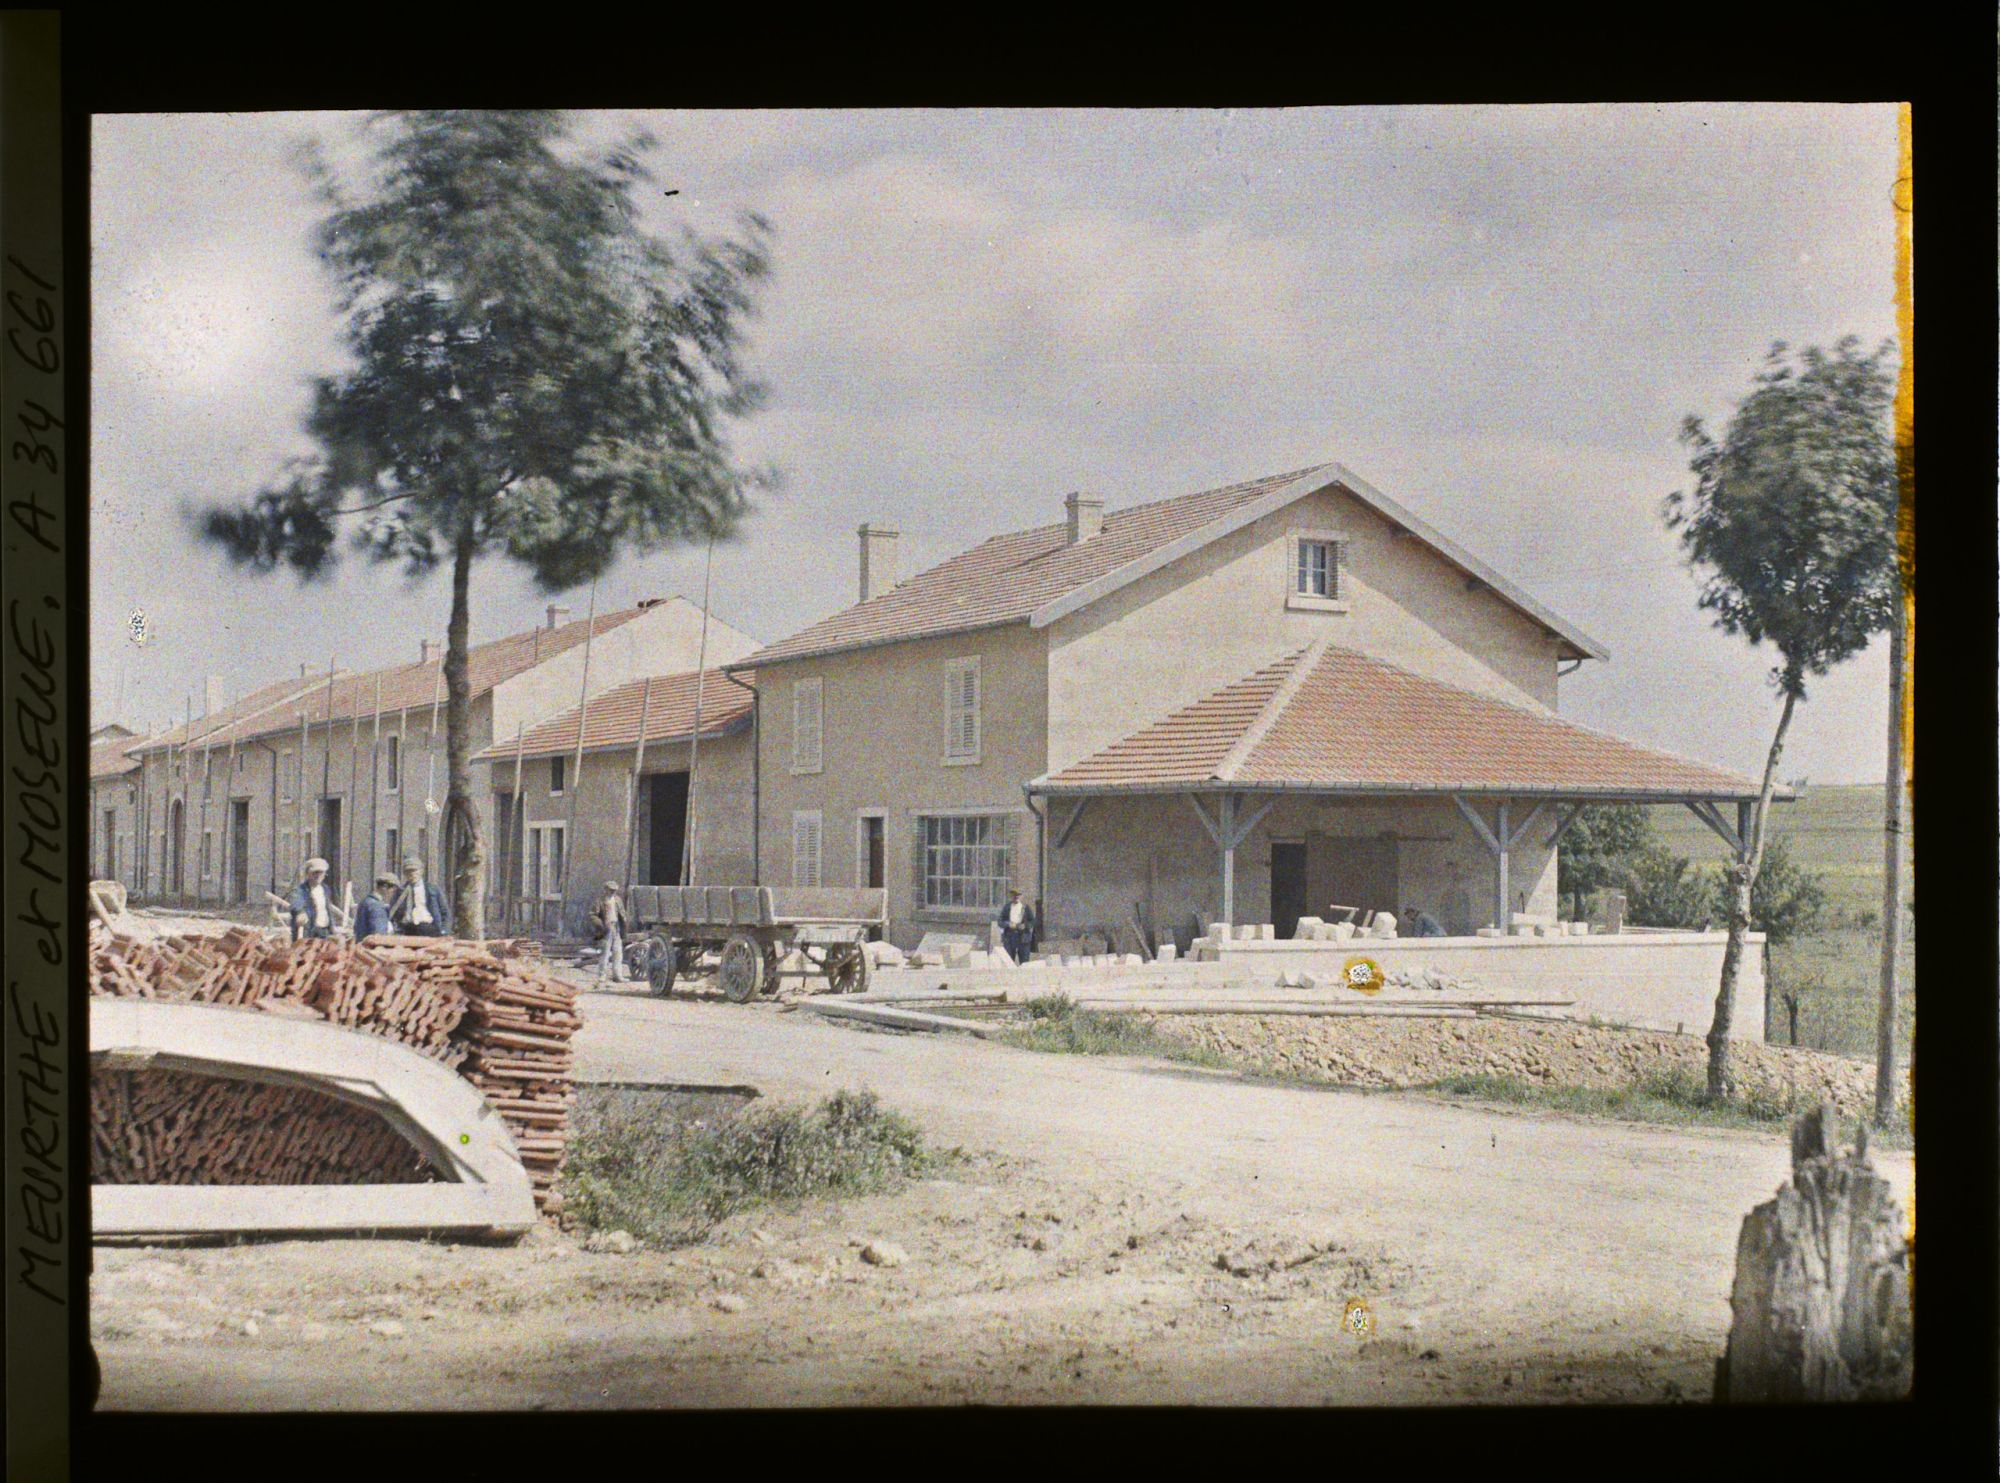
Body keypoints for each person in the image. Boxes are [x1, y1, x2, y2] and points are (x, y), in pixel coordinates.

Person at [389, 855, 451, 937]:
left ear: (421, 871)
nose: (412, 874)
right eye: (408, 871)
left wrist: (444, 931)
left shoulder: (432, 890)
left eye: (414, 870)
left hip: (428, 927)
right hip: (408, 929)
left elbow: (445, 912)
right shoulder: (400, 892)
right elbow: (393, 912)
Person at [287, 858, 338, 942]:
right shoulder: (300, 890)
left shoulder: (325, 889)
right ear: (308, 874)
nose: (318, 876)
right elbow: (296, 902)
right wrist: (300, 912)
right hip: (309, 932)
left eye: (321, 873)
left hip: (324, 930)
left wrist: (332, 928)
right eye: (315, 873)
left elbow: (327, 909)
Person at [591, 881, 629, 984]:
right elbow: (593, 915)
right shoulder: (599, 901)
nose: (613, 892)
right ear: (605, 890)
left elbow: (622, 914)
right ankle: (602, 976)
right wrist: (601, 925)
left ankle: (617, 976)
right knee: (605, 953)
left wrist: (624, 926)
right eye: (611, 890)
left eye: (614, 890)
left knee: (618, 953)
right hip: (605, 929)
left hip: (616, 927)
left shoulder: (617, 900)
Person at [995, 889, 1037, 965]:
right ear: (1011, 896)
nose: (1016, 897)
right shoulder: (1007, 907)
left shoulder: (1025, 908)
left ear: (1021, 897)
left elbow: (1033, 921)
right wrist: (1008, 924)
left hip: (1023, 937)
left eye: (1018, 895)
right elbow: (1000, 921)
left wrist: (1025, 925)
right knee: (1008, 961)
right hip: (1010, 937)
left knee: (1024, 963)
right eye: (1014, 895)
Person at [354, 872, 397, 942]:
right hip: (371, 949)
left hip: (361, 946)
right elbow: (379, 936)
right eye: (393, 891)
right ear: (385, 887)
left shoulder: (365, 902)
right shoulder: (377, 907)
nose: (393, 894)